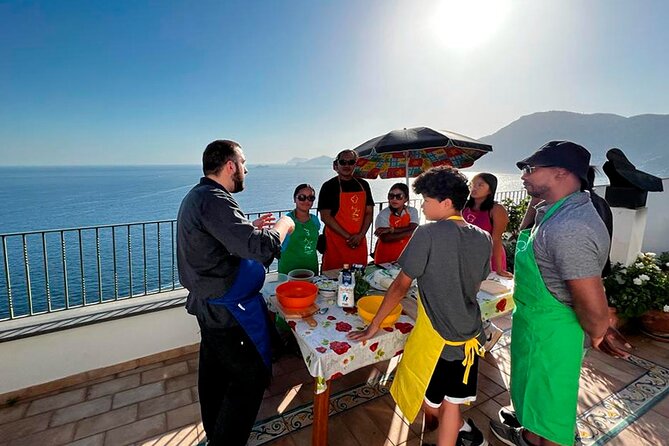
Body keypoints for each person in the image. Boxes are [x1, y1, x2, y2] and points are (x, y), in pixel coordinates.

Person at [489, 141, 628, 446]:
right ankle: (529, 434)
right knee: (536, 398)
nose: (524, 176)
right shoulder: (553, 210)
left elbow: (590, 301)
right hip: (536, 327)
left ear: (562, 172)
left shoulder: (570, 226)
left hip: (553, 336)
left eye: (531, 169)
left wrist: (599, 331)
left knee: (553, 413)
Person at [349, 166, 492, 446]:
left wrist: (373, 326)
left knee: (428, 399)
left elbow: (400, 285)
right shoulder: (482, 237)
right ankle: (462, 434)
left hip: (439, 339)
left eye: (426, 200)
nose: (422, 206)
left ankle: (461, 433)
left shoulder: (428, 234)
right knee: (453, 403)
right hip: (470, 335)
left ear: (446, 203)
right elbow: (473, 286)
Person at [177, 140, 295, 446]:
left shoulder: (198, 196)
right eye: (243, 163)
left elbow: (220, 241)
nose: (246, 170)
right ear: (231, 166)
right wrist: (284, 224)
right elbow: (261, 247)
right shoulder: (215, 200)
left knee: (214, 378)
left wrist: (248, 227)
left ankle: (216, 434)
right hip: (228, 313)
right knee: (249, 380)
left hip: (210, 308)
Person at [317, 149, 374, 271]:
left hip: (359, 242)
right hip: (335, 244)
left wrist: (361, 235)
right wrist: (348, 237)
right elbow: (325, 217)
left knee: (358, 278)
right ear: (335, 165)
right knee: (332, 280)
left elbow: (369, 212)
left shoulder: (364, 185)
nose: (347, 165)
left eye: (351, 162)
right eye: (343, 162)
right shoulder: (328, 186)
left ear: (355, 164)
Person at [463, 173, 513, 278]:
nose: (474, 188)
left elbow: (496, 239)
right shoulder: (464, 207)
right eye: (472, 184)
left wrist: (499, 269)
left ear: (490, 190)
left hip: (489, 256)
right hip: (467, 256)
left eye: (480, 185)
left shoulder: (496, 209)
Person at [278, 183, 320, 275]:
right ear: (294, 199)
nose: (306, 201)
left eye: (310, 198)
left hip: (311, 269)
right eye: (302, 197)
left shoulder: (315, 220)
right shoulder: (286, 220)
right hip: (289, 271)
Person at [373, 182, 419, 265]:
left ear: (406, 199)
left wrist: (391, 229)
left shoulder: (412, 211)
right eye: (391, 196)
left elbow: (414, 227)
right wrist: (410, 232)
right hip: (385, 257)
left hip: (406, 256)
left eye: (399, 196)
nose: (394, 199)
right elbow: (386, 238)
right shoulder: (383, 214)